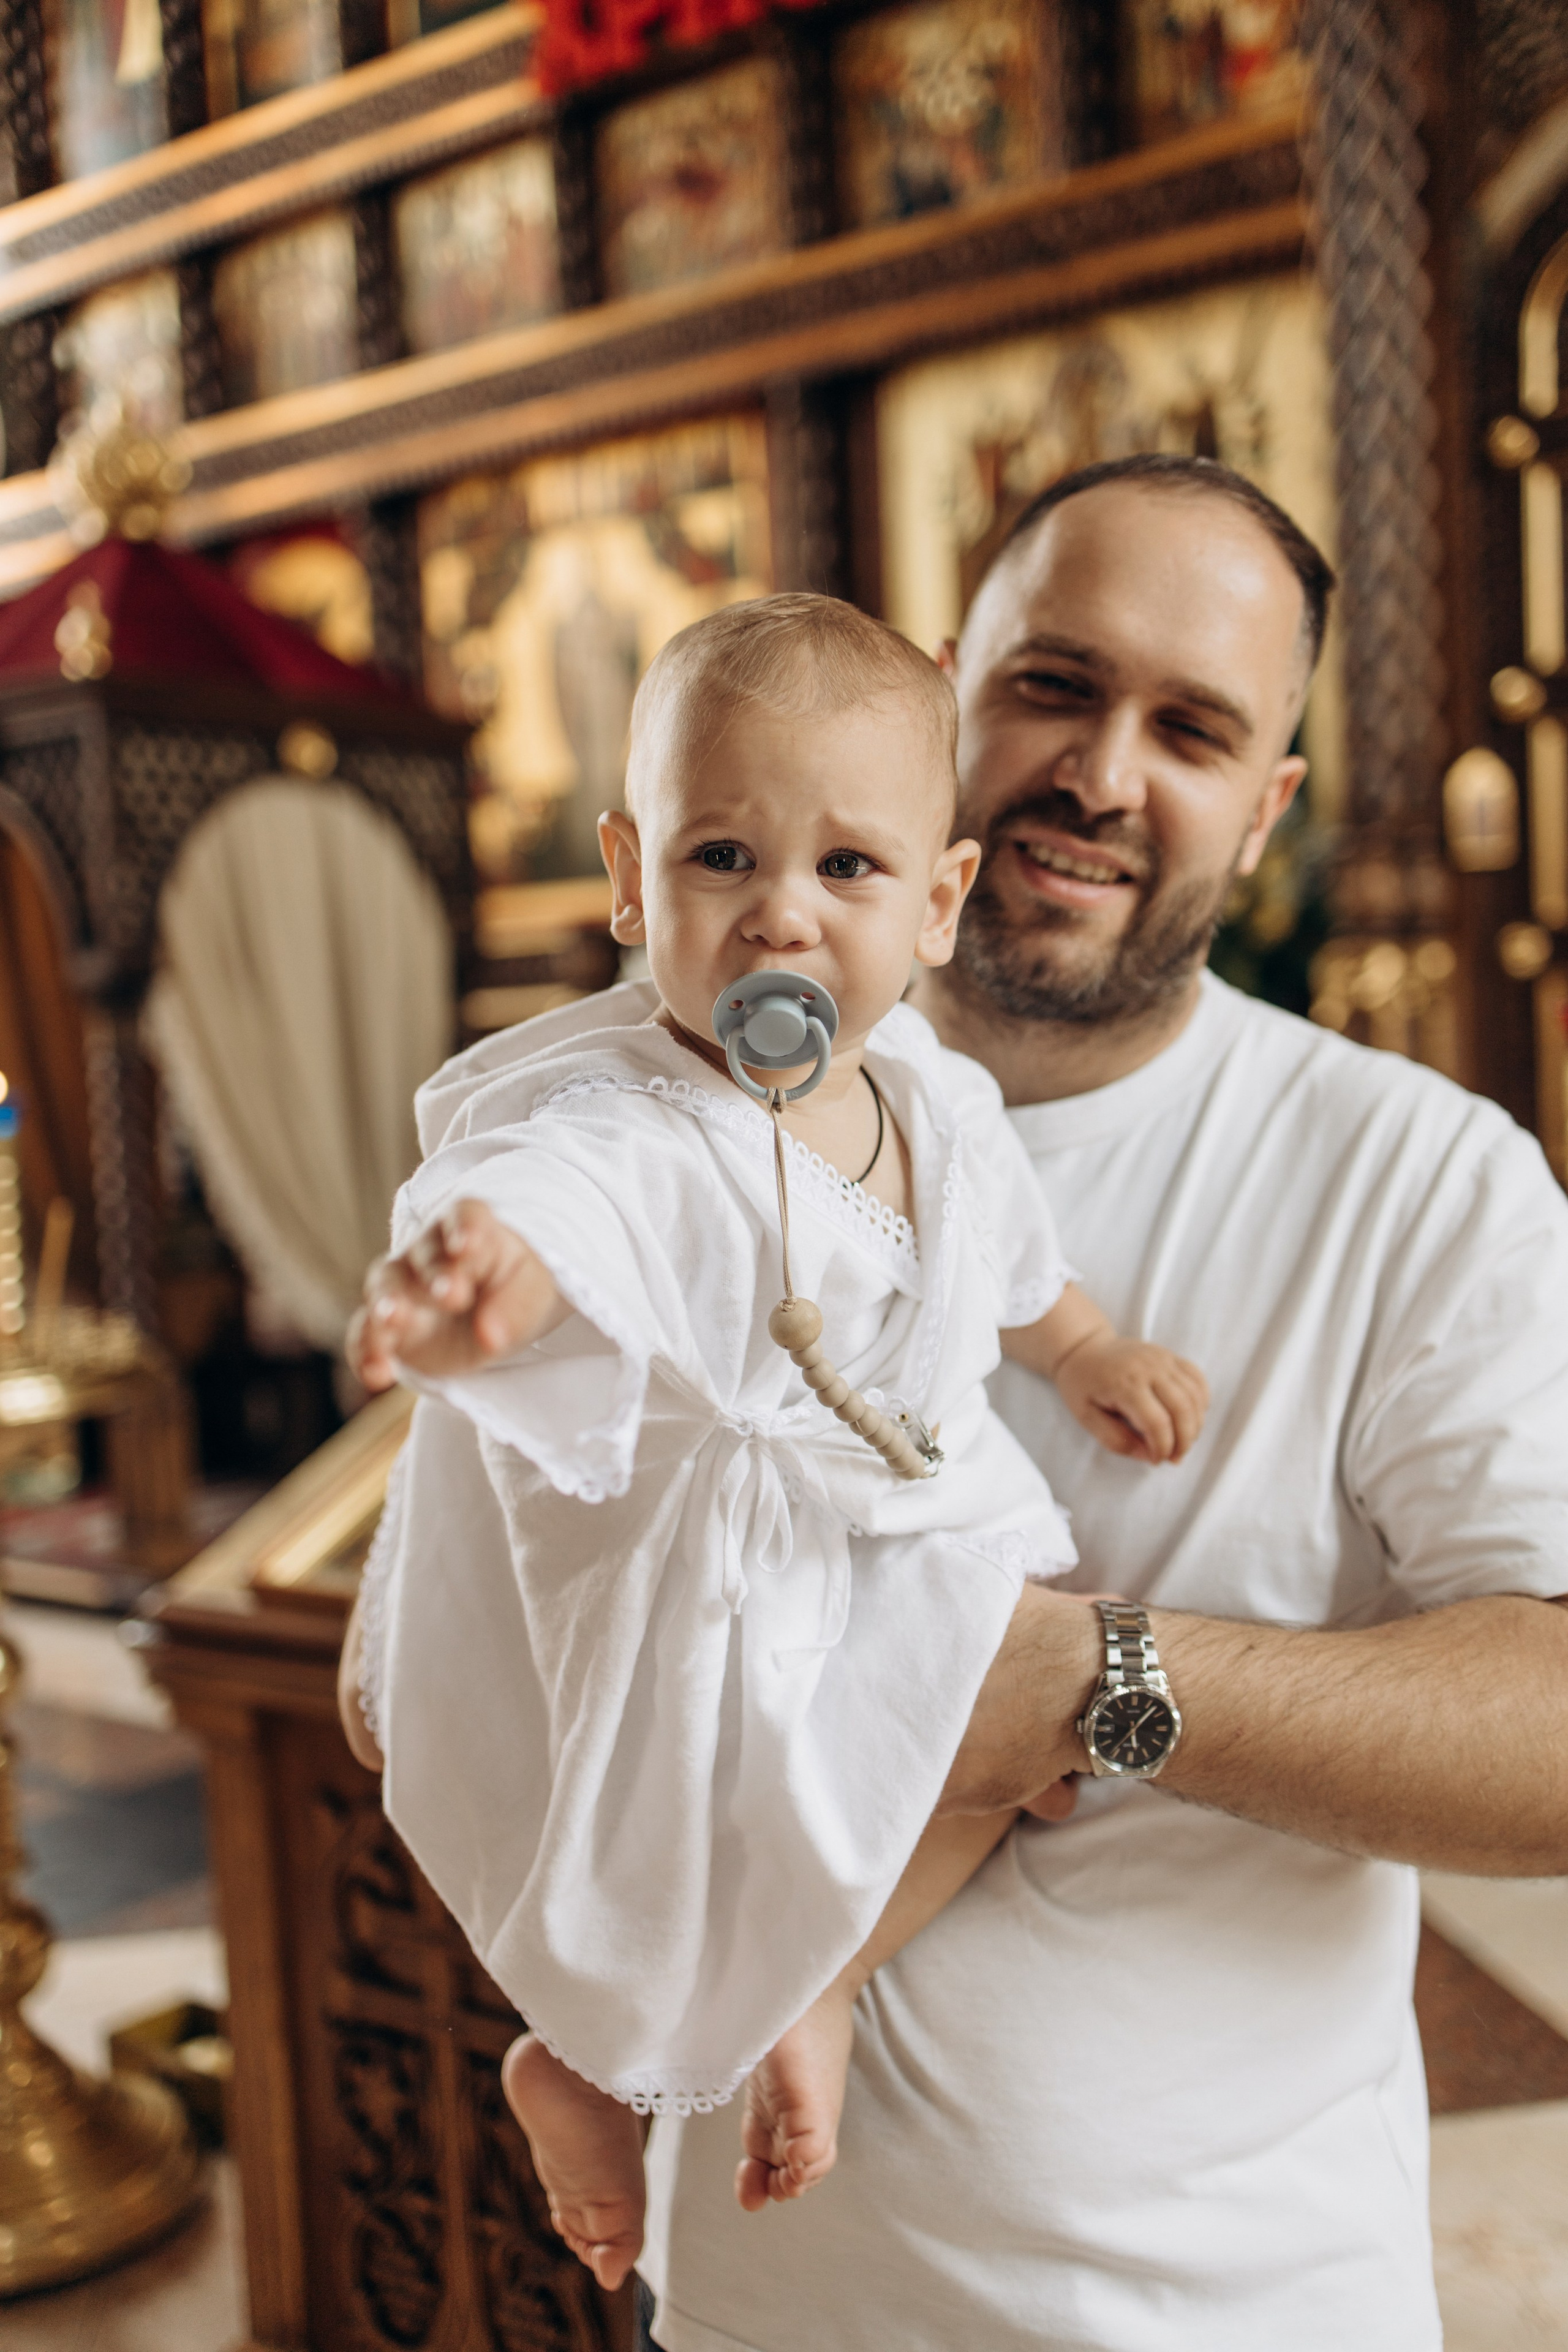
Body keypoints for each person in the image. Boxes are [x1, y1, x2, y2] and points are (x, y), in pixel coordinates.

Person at [634, 457, 1568, 2352]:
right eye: (1054, 685)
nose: (1104, 775)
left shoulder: (1416, 1178)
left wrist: (1080, 1687)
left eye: (1194, 729)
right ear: (946, 683)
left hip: (1199, 2306)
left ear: (1270, 806)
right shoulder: (690, 1089)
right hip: (740, 2289)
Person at [338, 595, 1207, 2296]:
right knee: (689, 1851)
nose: (782, 917)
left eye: (850, 871)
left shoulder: (939, 1095)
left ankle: (825, 1977)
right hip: (736, 1574)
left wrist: (1085, 1346)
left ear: (941, 900)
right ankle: (588, 2058)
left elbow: (1006, 1259)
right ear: (629, 874)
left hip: (913, 1511)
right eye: (722, 855)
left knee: (1031, 1748)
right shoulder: (646, 1114)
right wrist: (485, 1281)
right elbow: (560, 1189)